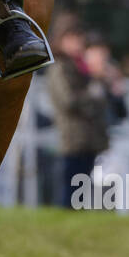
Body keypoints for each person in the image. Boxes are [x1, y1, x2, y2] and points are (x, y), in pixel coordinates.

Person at [46, 14, 109, 209]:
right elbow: (68, 101)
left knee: (80, 193)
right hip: (73, 140)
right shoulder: (59, 67)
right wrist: (92, 94)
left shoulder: (79, 67)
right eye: (73, 38)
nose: (78, 43)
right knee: (70, 194)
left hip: (87, 140)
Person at [84, 32, 129, 126]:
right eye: (96, 53)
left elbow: (122, 115)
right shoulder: (81, 80)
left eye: (104, 54)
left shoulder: (109, 81)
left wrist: (117, 93)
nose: (101, 59)